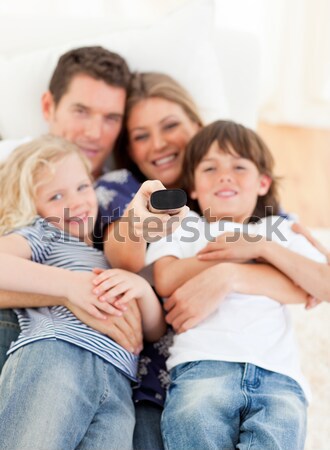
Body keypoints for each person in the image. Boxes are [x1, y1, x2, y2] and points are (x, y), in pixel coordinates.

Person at [145, 120, 328, 450]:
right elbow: (165, 278)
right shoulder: (185, 226)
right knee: (194, 426)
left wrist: (260, 247)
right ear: (195, 188)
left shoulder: (278, 229)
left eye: (239, 166)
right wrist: (231, 258)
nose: (224, 175)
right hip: (203, 368)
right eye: (210, 168)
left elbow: (322, 285)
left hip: (278, 377)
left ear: (263, 182)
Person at [0, 135, 169, 450]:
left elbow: (155, 331)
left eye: (81, 187)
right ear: (32, 207)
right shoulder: (45, 234)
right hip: (58, 356)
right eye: (56, 196)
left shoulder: (110, 255)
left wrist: (142, 290)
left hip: (118, 383)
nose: (75, 202)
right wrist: (69, 286)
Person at [0, 45, 144, 373]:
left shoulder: (114, 188)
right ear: (49, 106)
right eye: (81, 111)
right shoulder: (8, 164)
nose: (94, 133)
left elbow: (127, 259)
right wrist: (67, 291)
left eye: (111, 118)